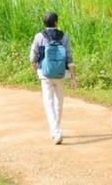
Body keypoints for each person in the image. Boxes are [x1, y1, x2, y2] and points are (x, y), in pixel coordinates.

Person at [29, 11, 77, 144]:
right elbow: (69, 57)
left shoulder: (39, 36)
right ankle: (56, 130)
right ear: (56, 22)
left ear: (44, 23)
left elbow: (33, 56)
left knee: (48, 102)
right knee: (59, 102)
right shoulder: (64, 36)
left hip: (44, 73)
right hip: (61, 74)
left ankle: (56, 132)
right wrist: (73, 77)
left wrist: (34, 63)